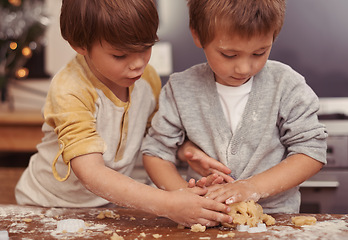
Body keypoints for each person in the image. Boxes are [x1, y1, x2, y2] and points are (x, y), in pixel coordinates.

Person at [15, 0, 233, 227]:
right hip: (49, 206)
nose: (138, 64)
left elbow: (157, 137)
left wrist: (186, 151)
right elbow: (91, 172)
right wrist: (168, 203)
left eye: (146, 48)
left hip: (110, 206)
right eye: (120, 56)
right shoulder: (70, 89)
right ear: (80, 45)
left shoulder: (147, 79)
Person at [141, 0, 328, 214]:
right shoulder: (179, 89)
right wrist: (186, 199)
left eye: (259, 53)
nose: (244, 68)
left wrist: (252, 188)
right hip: (203, 220)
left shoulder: (286, 85)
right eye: (229, 55)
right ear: (197, 35)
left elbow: (311, 152)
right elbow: (155, 154)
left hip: (275, 221)